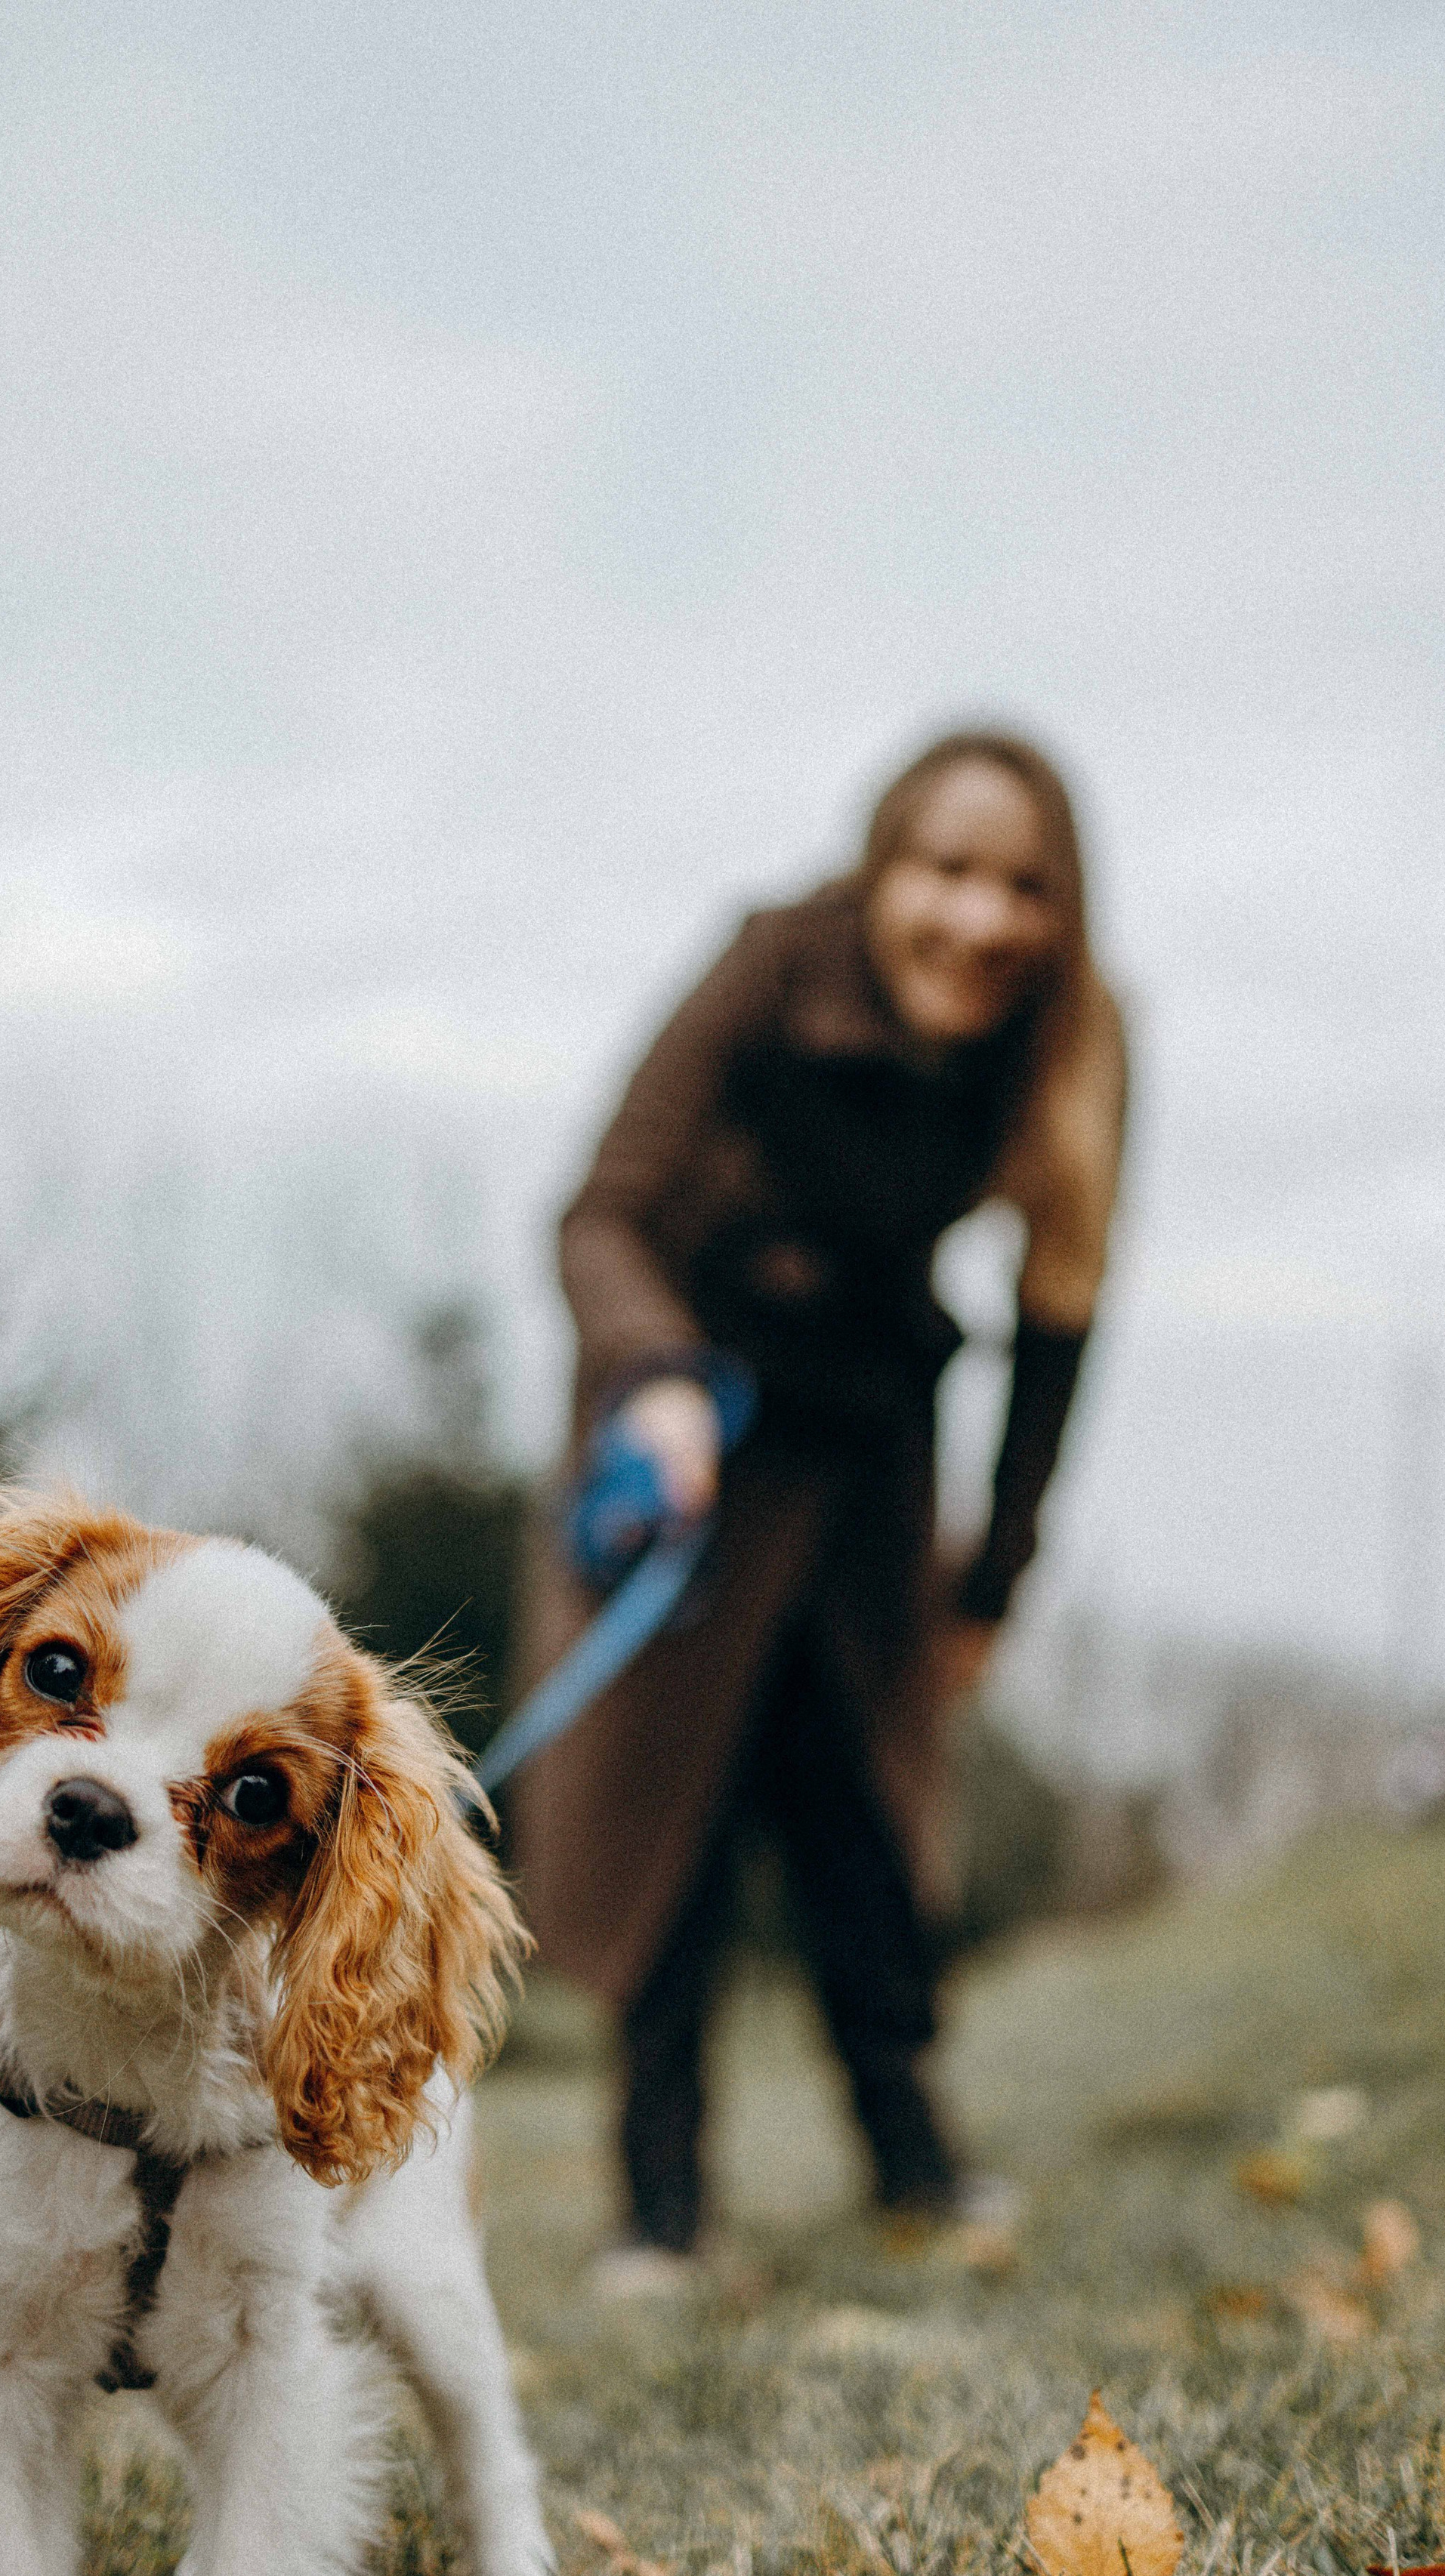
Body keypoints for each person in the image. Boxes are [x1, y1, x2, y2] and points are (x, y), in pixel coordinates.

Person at [508, 730, 1126, 2288]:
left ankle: (913, 2160)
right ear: (878, 868)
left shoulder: (1067, 1039)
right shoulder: (769, 966)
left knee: (861, 1823)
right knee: (676, 1823)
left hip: (865, 1459)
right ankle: (658, 2205)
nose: (978, 917)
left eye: (1022, 885)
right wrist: (655, 1377)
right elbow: (598, 1212)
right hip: (692, 1439)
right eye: (944, 869)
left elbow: (1059, 1317)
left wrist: (993, 1577)